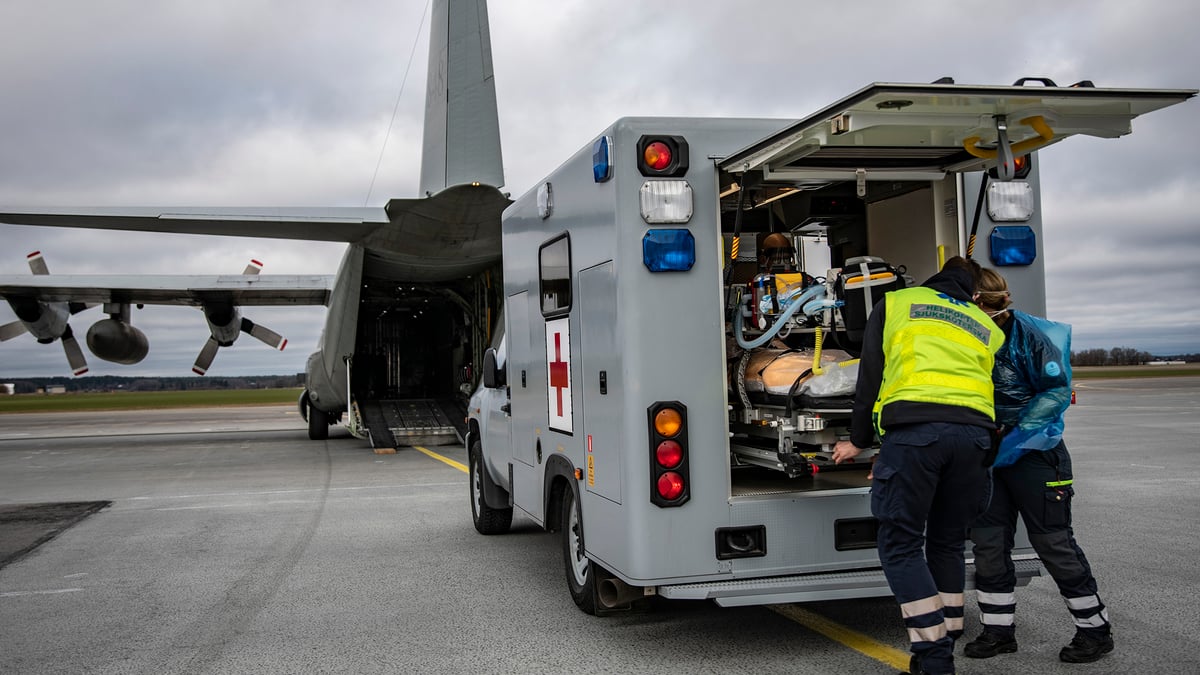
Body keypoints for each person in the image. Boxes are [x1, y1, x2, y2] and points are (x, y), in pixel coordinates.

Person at [833, 256, 1003, 675]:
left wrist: (858, 441)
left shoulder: (895, 303)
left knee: (901, 545)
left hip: (916, 435)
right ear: (973, 292)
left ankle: (933, 657)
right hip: (975, 439)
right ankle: (950, 628)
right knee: (946, 541)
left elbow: (870, 378)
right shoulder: (986, 325)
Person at [963, 268, 1114, 664]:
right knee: (989, 544)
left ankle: (1095, 630)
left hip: (1036, 455)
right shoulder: (968, 335)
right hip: (990, 458)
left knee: (1053, 541)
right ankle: (997, 631)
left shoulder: (1029, 335)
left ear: (985, 303)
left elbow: (1056, 391)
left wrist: (1011, 436)